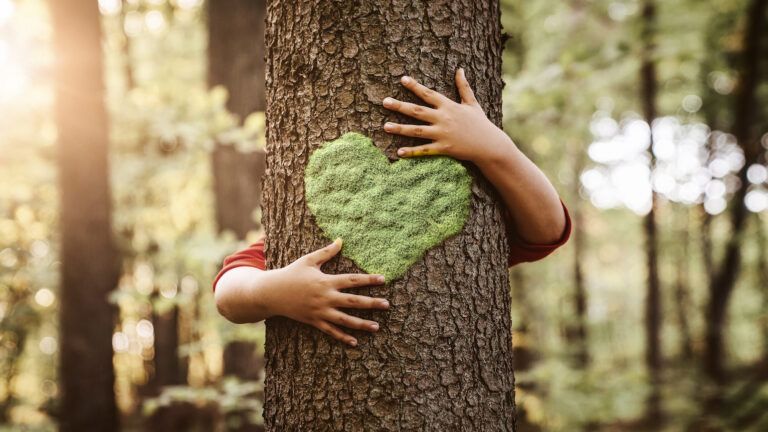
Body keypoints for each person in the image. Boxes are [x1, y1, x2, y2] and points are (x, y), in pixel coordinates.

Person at [213, 68, 571, 347]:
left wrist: (494, 147)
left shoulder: (480, 218)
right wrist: (273, 291)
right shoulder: (308, 232)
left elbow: (548, 230)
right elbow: (229, 292)